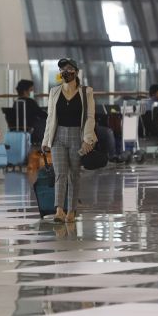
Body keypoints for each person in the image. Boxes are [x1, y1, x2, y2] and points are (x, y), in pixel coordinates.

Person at [41, 58, 97, 223]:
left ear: (76, 72)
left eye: (69, 69)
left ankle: (71, 210)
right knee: (60, 174)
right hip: (58, 136)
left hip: (76, 136)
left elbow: (89, 117)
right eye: (63, 69)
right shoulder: (54, 91)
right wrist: (46, 140)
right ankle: (59, 210)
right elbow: (50, 118)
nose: (66, 71)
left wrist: (88, 139)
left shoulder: (86, 92)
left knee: (74, 175)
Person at [15, 79, 47, 144]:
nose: (32, 92)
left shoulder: (17, 102)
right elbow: (42, 114)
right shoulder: (30, 102)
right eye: (31, 90)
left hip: (21, 128)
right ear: (25, 91)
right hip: (32, 129)